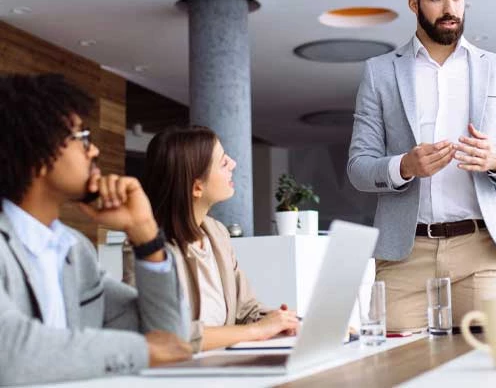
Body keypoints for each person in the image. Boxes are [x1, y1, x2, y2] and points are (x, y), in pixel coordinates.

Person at [347, 0, 496, 331]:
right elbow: (358, 168)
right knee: (395, 368)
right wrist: (404, 166)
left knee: (487, 364)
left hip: (481, 251)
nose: (450, 9)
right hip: (405, 254)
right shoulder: (380, 73)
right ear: (414, 3)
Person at [0, 73, 191, 385]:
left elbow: (169, 338)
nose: (94, 151)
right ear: (39, 149)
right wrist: (143, 350)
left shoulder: (75, 250)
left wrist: (144, 234)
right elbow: (9, 352)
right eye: (82, 138)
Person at [143, 126, 299, 352]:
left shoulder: (217, 233)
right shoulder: (147, 249)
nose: (234, 164)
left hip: (222, 363)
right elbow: (164, 335)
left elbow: (246, 309)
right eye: (223, 163)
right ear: (197, 187)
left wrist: (287, 321)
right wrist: (257, 331)